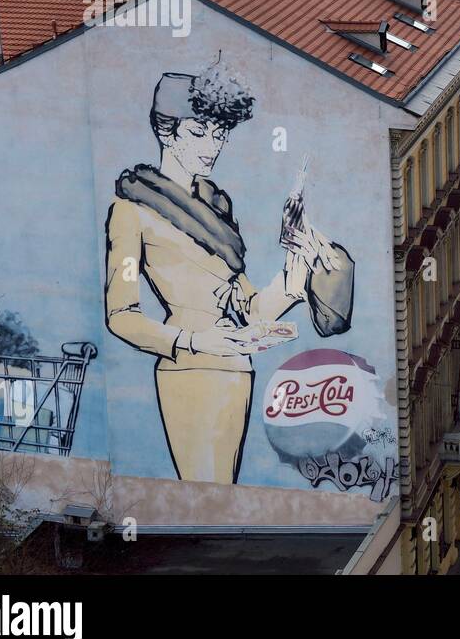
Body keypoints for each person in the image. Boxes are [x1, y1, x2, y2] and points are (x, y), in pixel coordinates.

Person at [105, 61, 353, 484]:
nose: (212, 144)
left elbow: (252, 309)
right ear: (167, 131)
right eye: (198, 132)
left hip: (237, 365)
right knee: (207, 492)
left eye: (219, 133)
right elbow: (120, 316)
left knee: (222, 492)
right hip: (191, 367)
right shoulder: (131, 211)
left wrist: (294, 279)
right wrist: (195, 340)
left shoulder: (218, 207)